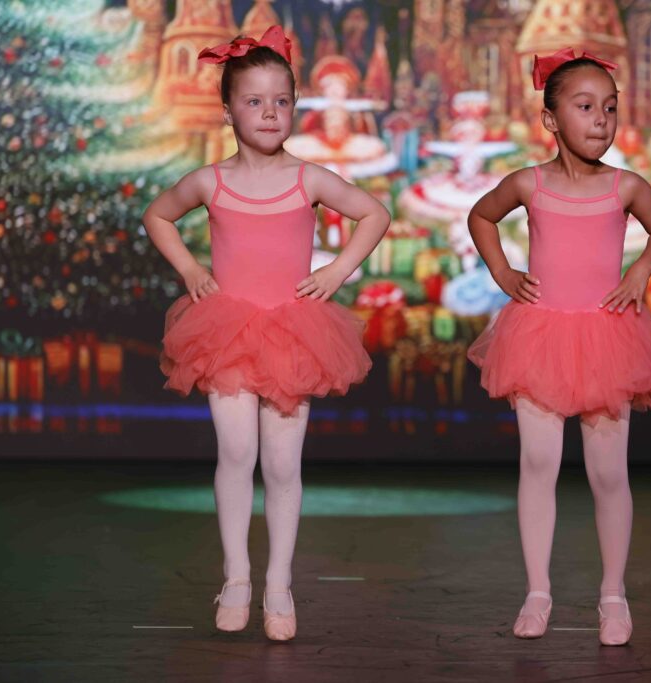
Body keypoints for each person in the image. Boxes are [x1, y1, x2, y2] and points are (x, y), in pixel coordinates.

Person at [142, 26, 390, 641]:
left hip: (291, 336)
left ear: (295, 106)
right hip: (226, 334)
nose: (270, 112)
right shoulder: (211, 181)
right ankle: (236, 578)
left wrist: (335, 271)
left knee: (281, 464)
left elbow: (373, 213)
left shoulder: (308, 178)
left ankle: (279, 584)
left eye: (281, 100)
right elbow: (158, 215)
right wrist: (191, 270)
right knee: (235, 454)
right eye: (254, 101)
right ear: (228, 110)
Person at [467, 47, 651, 646]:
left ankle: (613, 596)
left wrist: (641, 272)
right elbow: (482, 216)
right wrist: (503, 273)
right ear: (551, 119)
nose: (601, 120)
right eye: (585, 107)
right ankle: (538, 592)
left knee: (608, 472)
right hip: (540, 336)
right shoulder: (529, 183)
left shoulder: (625, 186)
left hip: (608, 338)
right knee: (538, 464)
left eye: (609, 108)